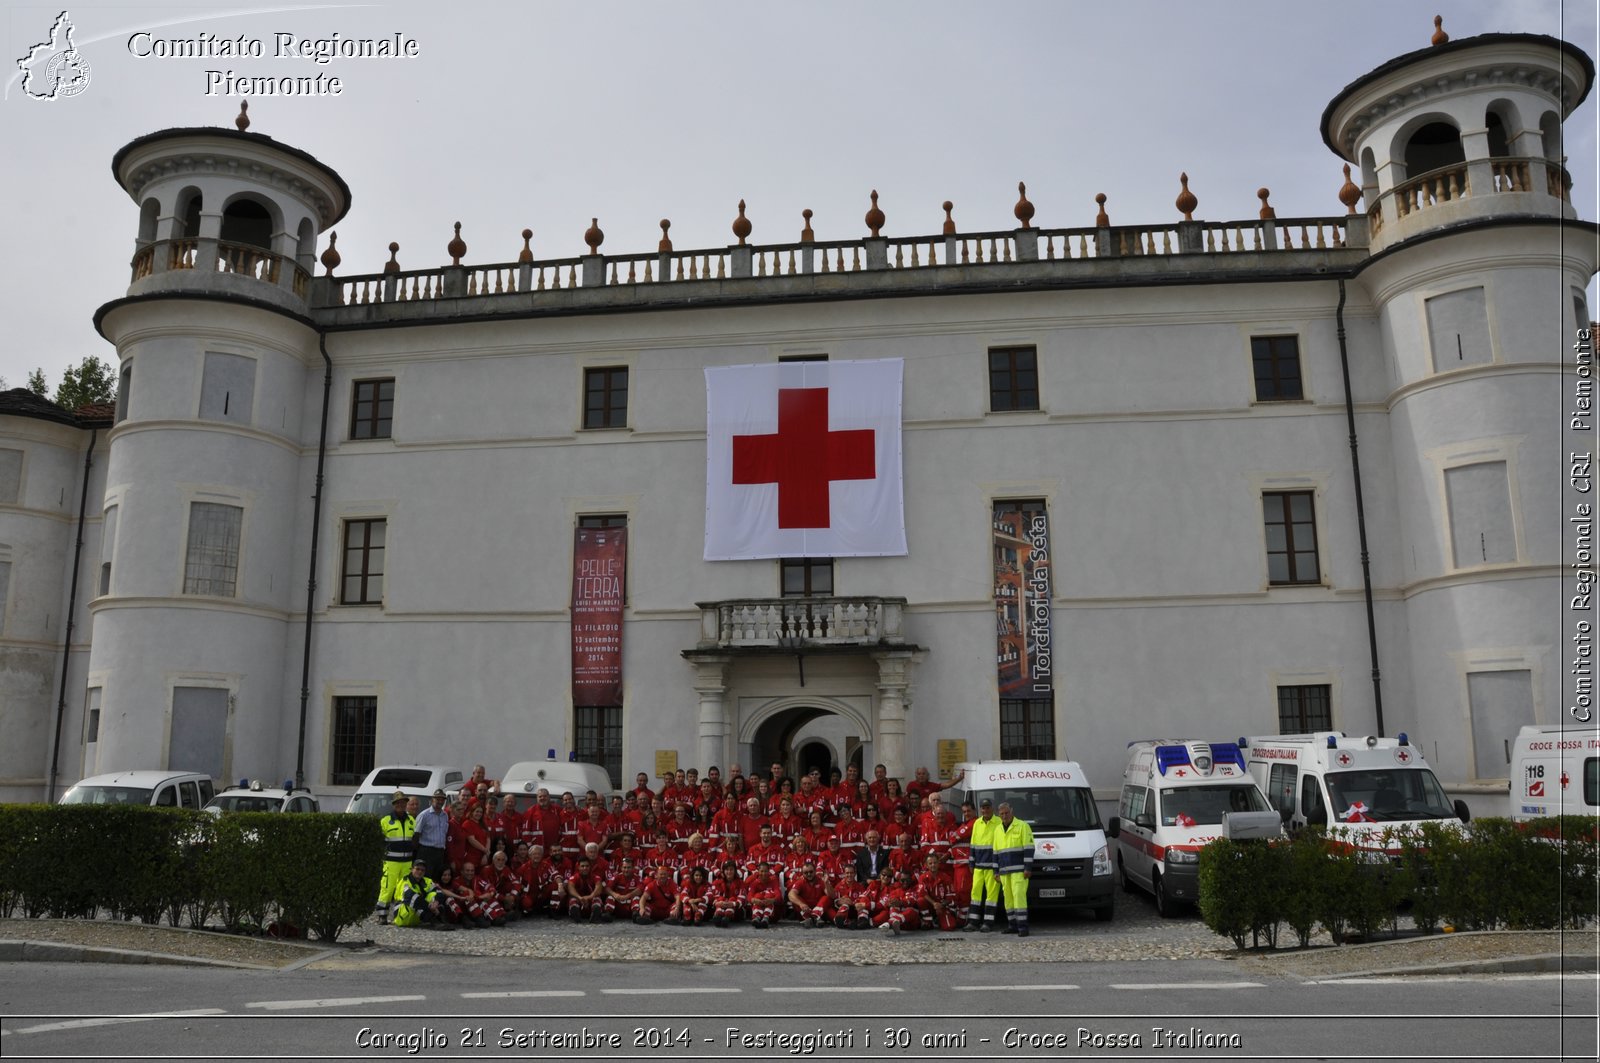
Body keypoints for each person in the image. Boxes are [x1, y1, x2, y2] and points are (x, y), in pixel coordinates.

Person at [994, 801, 1035, 937]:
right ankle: (1012, 926)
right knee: (1008, 900)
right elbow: (995, 852)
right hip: (1004, 872)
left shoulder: (1023, 826)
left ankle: (1023, 927)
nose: (1004, 816)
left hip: (1019, 871)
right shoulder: (998, 830)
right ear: (998, 815)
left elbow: (1029, 848)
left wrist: (1028, 868)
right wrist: (996, 871)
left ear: (1012, 812)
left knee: (1019, 898)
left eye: (1006, 813)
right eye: (1001, 814)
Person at [376, 791, 417, 924]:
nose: (401, 805)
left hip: (407, 862)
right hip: (391, 862)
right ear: (394, 804)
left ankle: (399, 915)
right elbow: (379, 841)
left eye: (403, 802)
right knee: (387, 888)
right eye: (398, 802)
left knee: (403, 890)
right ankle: (382, 915)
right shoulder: (386, 820)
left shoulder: (411, 820)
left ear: (406, 804)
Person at [963, 798, 1002, 932]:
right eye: (983, 808)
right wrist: (971, 862)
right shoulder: (977, 823)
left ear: (992, 808)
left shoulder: (999, 822)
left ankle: (988, 923)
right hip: (978, 865)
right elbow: (973, 845)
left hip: (992, 865)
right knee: (975, 894)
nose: (985, 810)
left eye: (987, 807)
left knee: (991, 896)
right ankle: (973, 922)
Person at [393, 859, 454, 930]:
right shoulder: (405, 881)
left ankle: (442, 919)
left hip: (416, 917)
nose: (420, 872)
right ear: (411, 869)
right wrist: (429, 906)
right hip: (402, 917)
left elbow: (439, 892)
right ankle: (435, 921)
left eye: (422, 870)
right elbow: (410, 897)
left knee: (433, 894)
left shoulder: (427, 880)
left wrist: (436, 903)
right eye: (417, 869)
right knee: (415, 901)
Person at [414, 788, 450, 879]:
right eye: (437, 799)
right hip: (426, 851)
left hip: (440, 852)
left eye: (442, 799)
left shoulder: (445, 815)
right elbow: (416, 834)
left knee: (437, 877)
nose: (440, 801)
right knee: (426, 877)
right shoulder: (424, 815)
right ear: (432, 800)